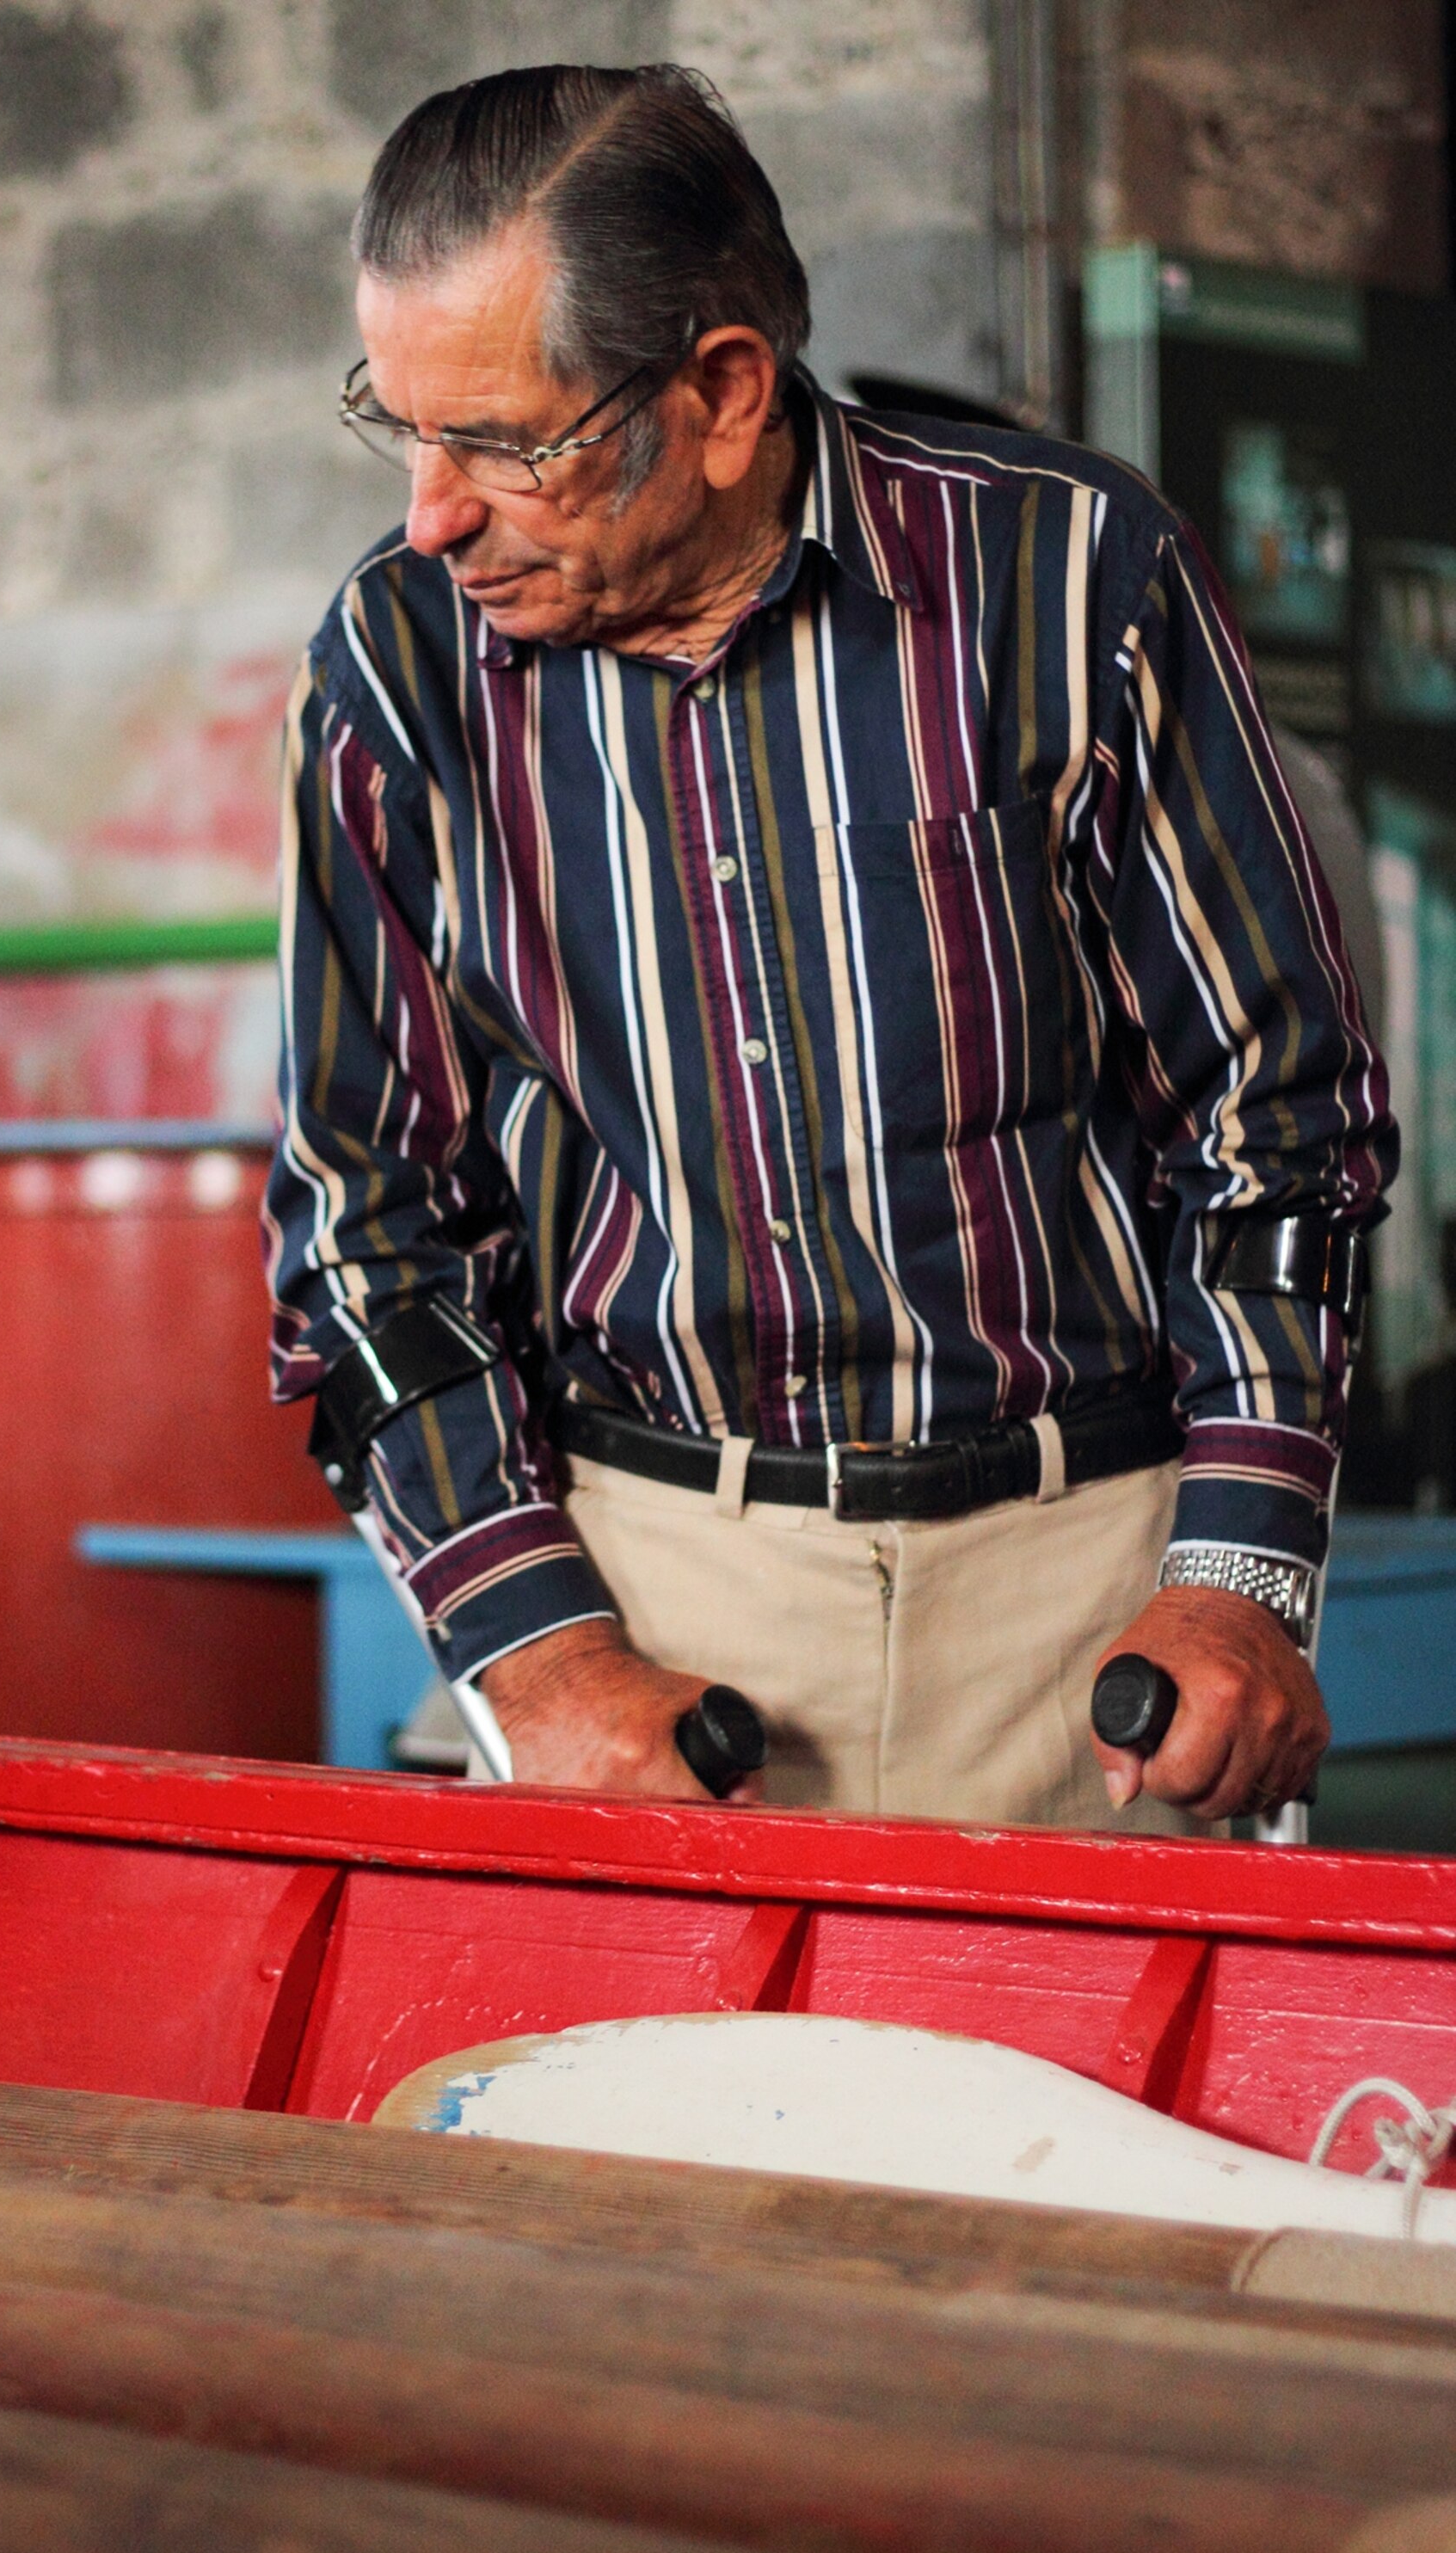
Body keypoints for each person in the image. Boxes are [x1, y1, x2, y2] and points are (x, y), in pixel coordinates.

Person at [264, 63, 1395, 1832]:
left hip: (1088, 1613)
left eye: (506, 440)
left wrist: (1243, 1572)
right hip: (654, 1618)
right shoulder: (399, 673)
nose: (432, 509)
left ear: (722, 390)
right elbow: (364, 1224)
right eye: (398, 422)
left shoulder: (1074, 583)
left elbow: (1276, 1114)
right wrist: (538, 1656)